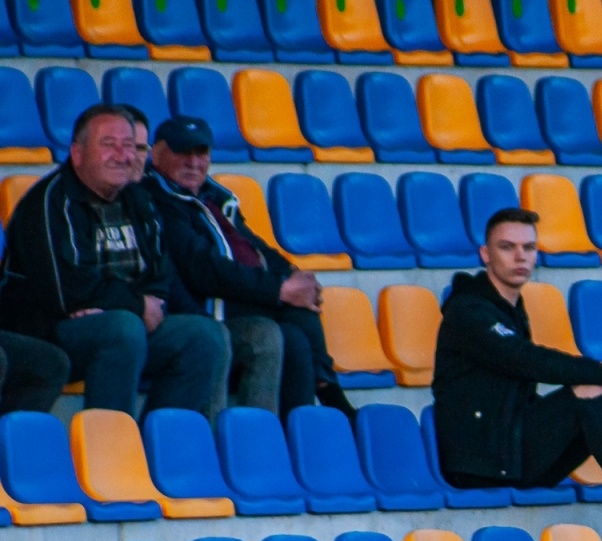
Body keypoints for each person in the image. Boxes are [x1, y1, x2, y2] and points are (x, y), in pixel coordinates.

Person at [433, 207, 602, 533]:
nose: (520, 256)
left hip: (511, 449)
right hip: (479, 460)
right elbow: (526, 359)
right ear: (485, 254)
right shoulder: (468, 311)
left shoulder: (509, 308)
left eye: (529, 247)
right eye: (507, 247)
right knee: (590, 391)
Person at [0, 104, 228, 419]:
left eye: (128, 146)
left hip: (122, 322)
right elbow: (69, 290)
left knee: (203, 336)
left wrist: (138, 303)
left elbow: (159, 273)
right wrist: (135, 305)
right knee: (122, 328)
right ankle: (109, 443)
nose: (122, 155)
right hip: (48, 333)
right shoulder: (51, 201)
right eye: (108, 145)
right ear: (77, 153)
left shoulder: (138, 198)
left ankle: (159, 442)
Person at [144, 115, 353, 420]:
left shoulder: (214, 196)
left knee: (294, 339)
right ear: (156, 153)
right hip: (204, 305)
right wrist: (280, 289)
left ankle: (288, 433)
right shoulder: (157, 198)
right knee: (287, 315)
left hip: (234, 295)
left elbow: (253, 245)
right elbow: (202, 268)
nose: (193, 162)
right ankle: (328, 393)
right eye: (182, 152)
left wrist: (293, 274)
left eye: (201, 153)